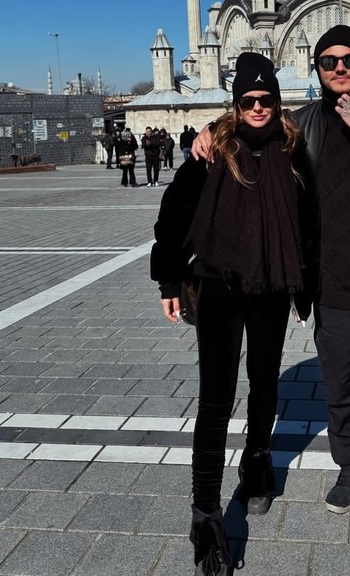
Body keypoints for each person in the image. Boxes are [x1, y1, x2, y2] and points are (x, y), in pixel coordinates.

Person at [194, 25, 350, 567]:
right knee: (341, 392)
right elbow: (252, 120)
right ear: (317, 67)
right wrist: (207, 129)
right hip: (331, 291)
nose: (339, 67)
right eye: (328, 60)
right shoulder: (303, 124)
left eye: (349, 58)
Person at [151, 52, 307, 576]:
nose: (258, 108)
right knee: (215, 398)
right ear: (236, 103)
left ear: (277, 102)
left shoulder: (292, 147)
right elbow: (173, 214)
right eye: (248, 100)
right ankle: (205, 514)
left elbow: (309, 218)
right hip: (218, 282)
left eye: (266, 100)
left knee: (264, 381)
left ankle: (258, 463)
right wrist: (169, 278)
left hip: (271, 286)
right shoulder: (211, 148)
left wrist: (305, 287)